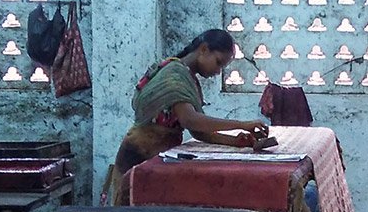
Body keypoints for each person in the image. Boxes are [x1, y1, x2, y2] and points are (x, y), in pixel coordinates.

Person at [113, 28, 269, 175]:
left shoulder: (185, 76)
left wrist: (236, 142)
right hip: (140, 155)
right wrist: (241, 124)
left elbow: (199, 132)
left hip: (156, 155)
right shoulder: (174, 74)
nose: (218, 71)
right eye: (218, 62)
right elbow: (190, 120)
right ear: (203, 49)